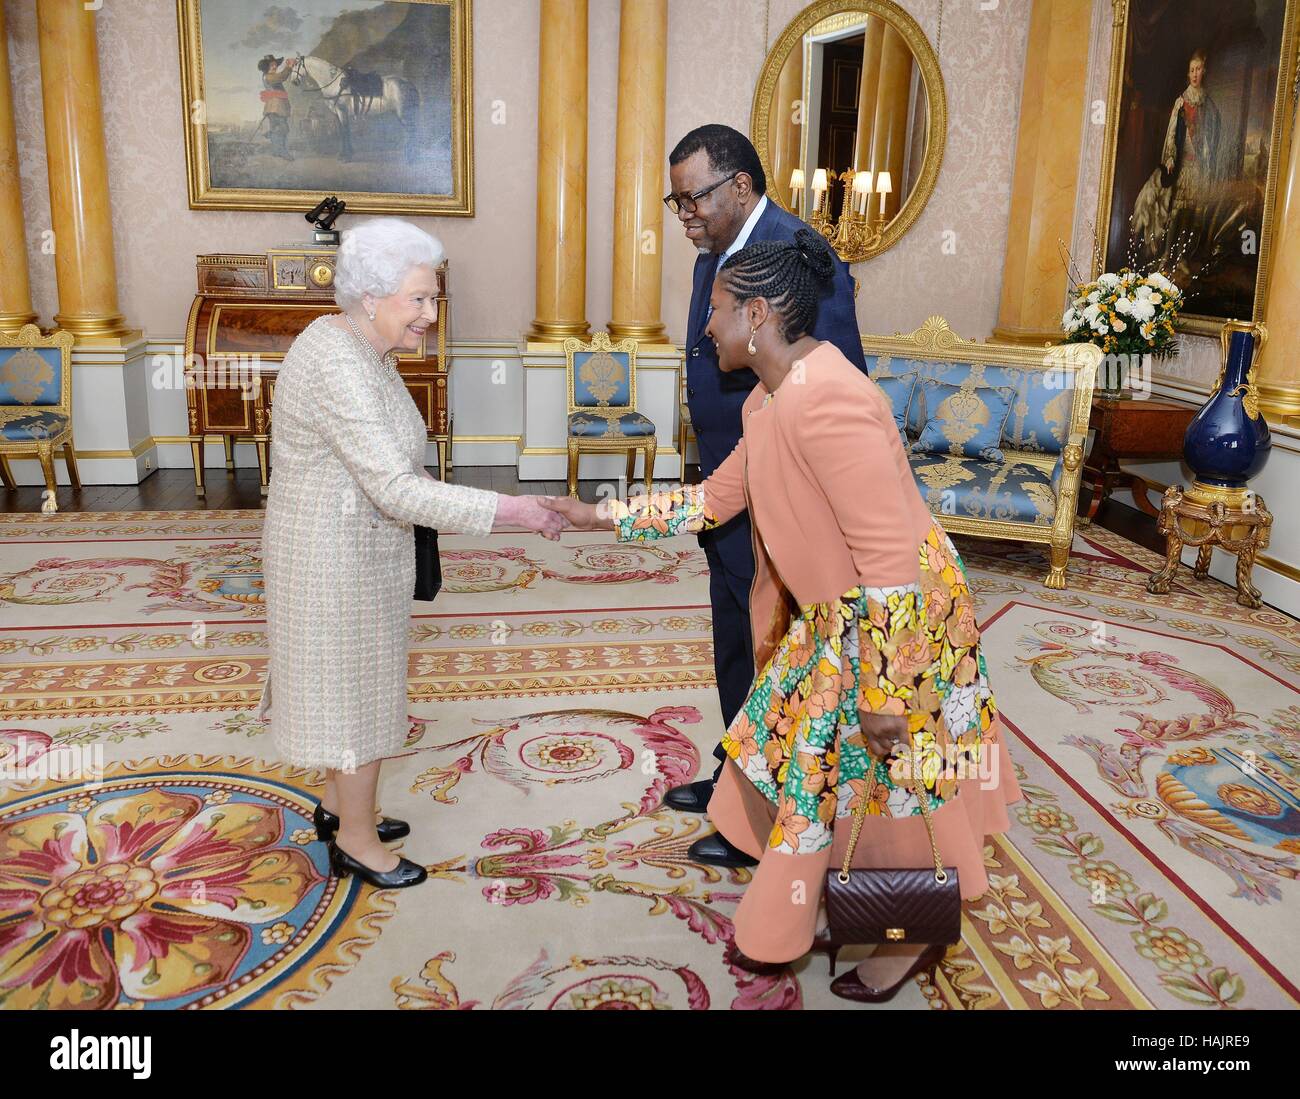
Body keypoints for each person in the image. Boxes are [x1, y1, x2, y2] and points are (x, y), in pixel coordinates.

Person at [543, 229, 1021, 1002]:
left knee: (895, 785)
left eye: (718, 310)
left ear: (758, 314)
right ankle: (825, 898)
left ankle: (907, 934)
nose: (707, 326)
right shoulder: (775, 395)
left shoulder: (829, 400)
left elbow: (890, 562)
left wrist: (886, 694)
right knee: (812, 759)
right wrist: (598, 515)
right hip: (841, 616)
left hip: (895, 620)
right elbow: (710, 502)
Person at [258, 218, 564, 889]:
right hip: (331, 556)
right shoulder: (339, 361)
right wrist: (511, 508)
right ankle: (358, 842)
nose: (430, 314)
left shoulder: (365, 348)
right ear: (370, 296)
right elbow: (395, 489)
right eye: (418, 299)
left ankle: (342, 804)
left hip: (357, 546)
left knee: (355, 687)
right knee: (354, 702)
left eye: (433, 298)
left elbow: (393, 466)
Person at [662, 125, 868, 861]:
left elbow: (835, 377)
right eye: (676, 200)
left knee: (775, 646)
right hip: (728, 476)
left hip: (776, 490)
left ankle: (769, 812)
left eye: (695, 198)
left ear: (740, 186)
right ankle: (733, 774)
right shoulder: (712, 254)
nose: (686, 214)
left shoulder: (800, 255)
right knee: (732, 639)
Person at [258, 55, 295, 161]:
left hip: (276, 106)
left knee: (276, 128)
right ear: (267, 67)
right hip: (275, 107)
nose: (275, 67)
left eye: (275, 65)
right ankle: (282, 152)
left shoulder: (269, 76)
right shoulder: (269, 76)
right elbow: (282, 77)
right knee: (283, 129)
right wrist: (289, 66)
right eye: (272, 65)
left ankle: (275, 149)